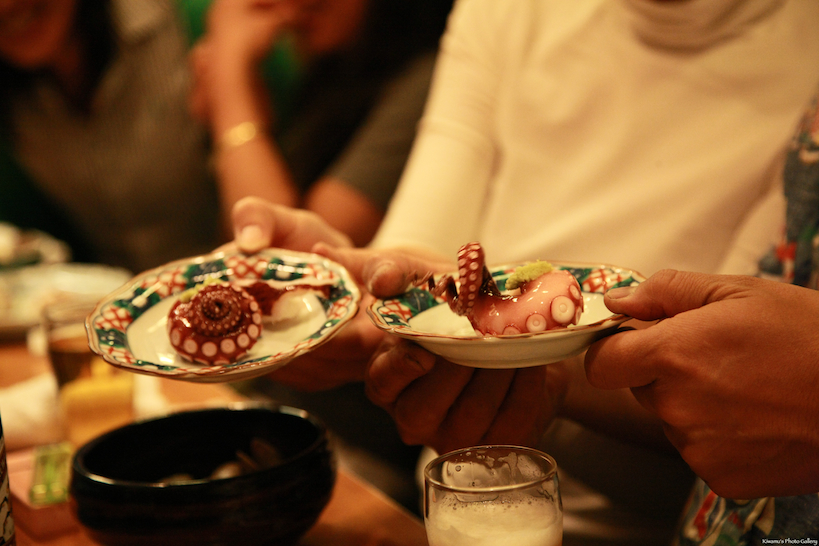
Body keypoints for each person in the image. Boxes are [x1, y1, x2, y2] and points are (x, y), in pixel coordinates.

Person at [225, 0, 819, 541]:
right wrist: (346, 293)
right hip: (458, 504)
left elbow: (740, 393)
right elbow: (416, 261)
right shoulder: (502, 11)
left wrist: (539, 371)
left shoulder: (806, 77)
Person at [189, 0, 453, 246]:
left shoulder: (432, 80)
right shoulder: (332, 68)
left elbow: (290, 250)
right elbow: (240, 238)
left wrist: (229, 82)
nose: (288, 11)